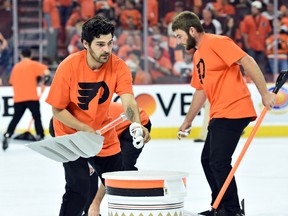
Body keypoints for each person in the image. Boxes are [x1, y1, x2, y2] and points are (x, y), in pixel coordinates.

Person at [172, 11, 276, 216]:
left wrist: (264, 93)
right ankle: (220, 205)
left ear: (192, 30)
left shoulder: (217, 42)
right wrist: (188, 121)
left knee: (218, 161)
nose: (178, 41)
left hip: (234, 109)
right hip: (220, 113)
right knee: (207, 160)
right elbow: (200, 90)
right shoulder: (198, 55)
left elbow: (247, 61)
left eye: (179, 36)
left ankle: (231, 210)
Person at [45, 15, 150, 216]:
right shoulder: (68, 66)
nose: (107, 50)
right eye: (100, 44)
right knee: (80, 187)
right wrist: (84, 129)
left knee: (120, 184)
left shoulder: (119, 66)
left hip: (103, 134)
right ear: (85, 43)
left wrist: (136, 124)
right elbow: (57, 110)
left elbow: (128, 100)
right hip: (71, 136)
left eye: (110, 43)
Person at [49, 101, 152, 216]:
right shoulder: (78, 127)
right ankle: (89, 212)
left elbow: (109, 173)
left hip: (135, 124)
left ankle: (131, 208)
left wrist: (96, 203)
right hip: (110, 128)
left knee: (120, 172)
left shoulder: (91, 128)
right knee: (88, 172)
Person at [2, 48, 50, 151]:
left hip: (19, 97)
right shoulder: (33, 64)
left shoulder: (16, 67)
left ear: (21, 55)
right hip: (31, 96)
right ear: (31, 55)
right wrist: (44, 79)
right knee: (37, 117)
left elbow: (12, 81)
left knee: (15, 118)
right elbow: (46, 72)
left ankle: (7, 134)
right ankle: (40, 136)